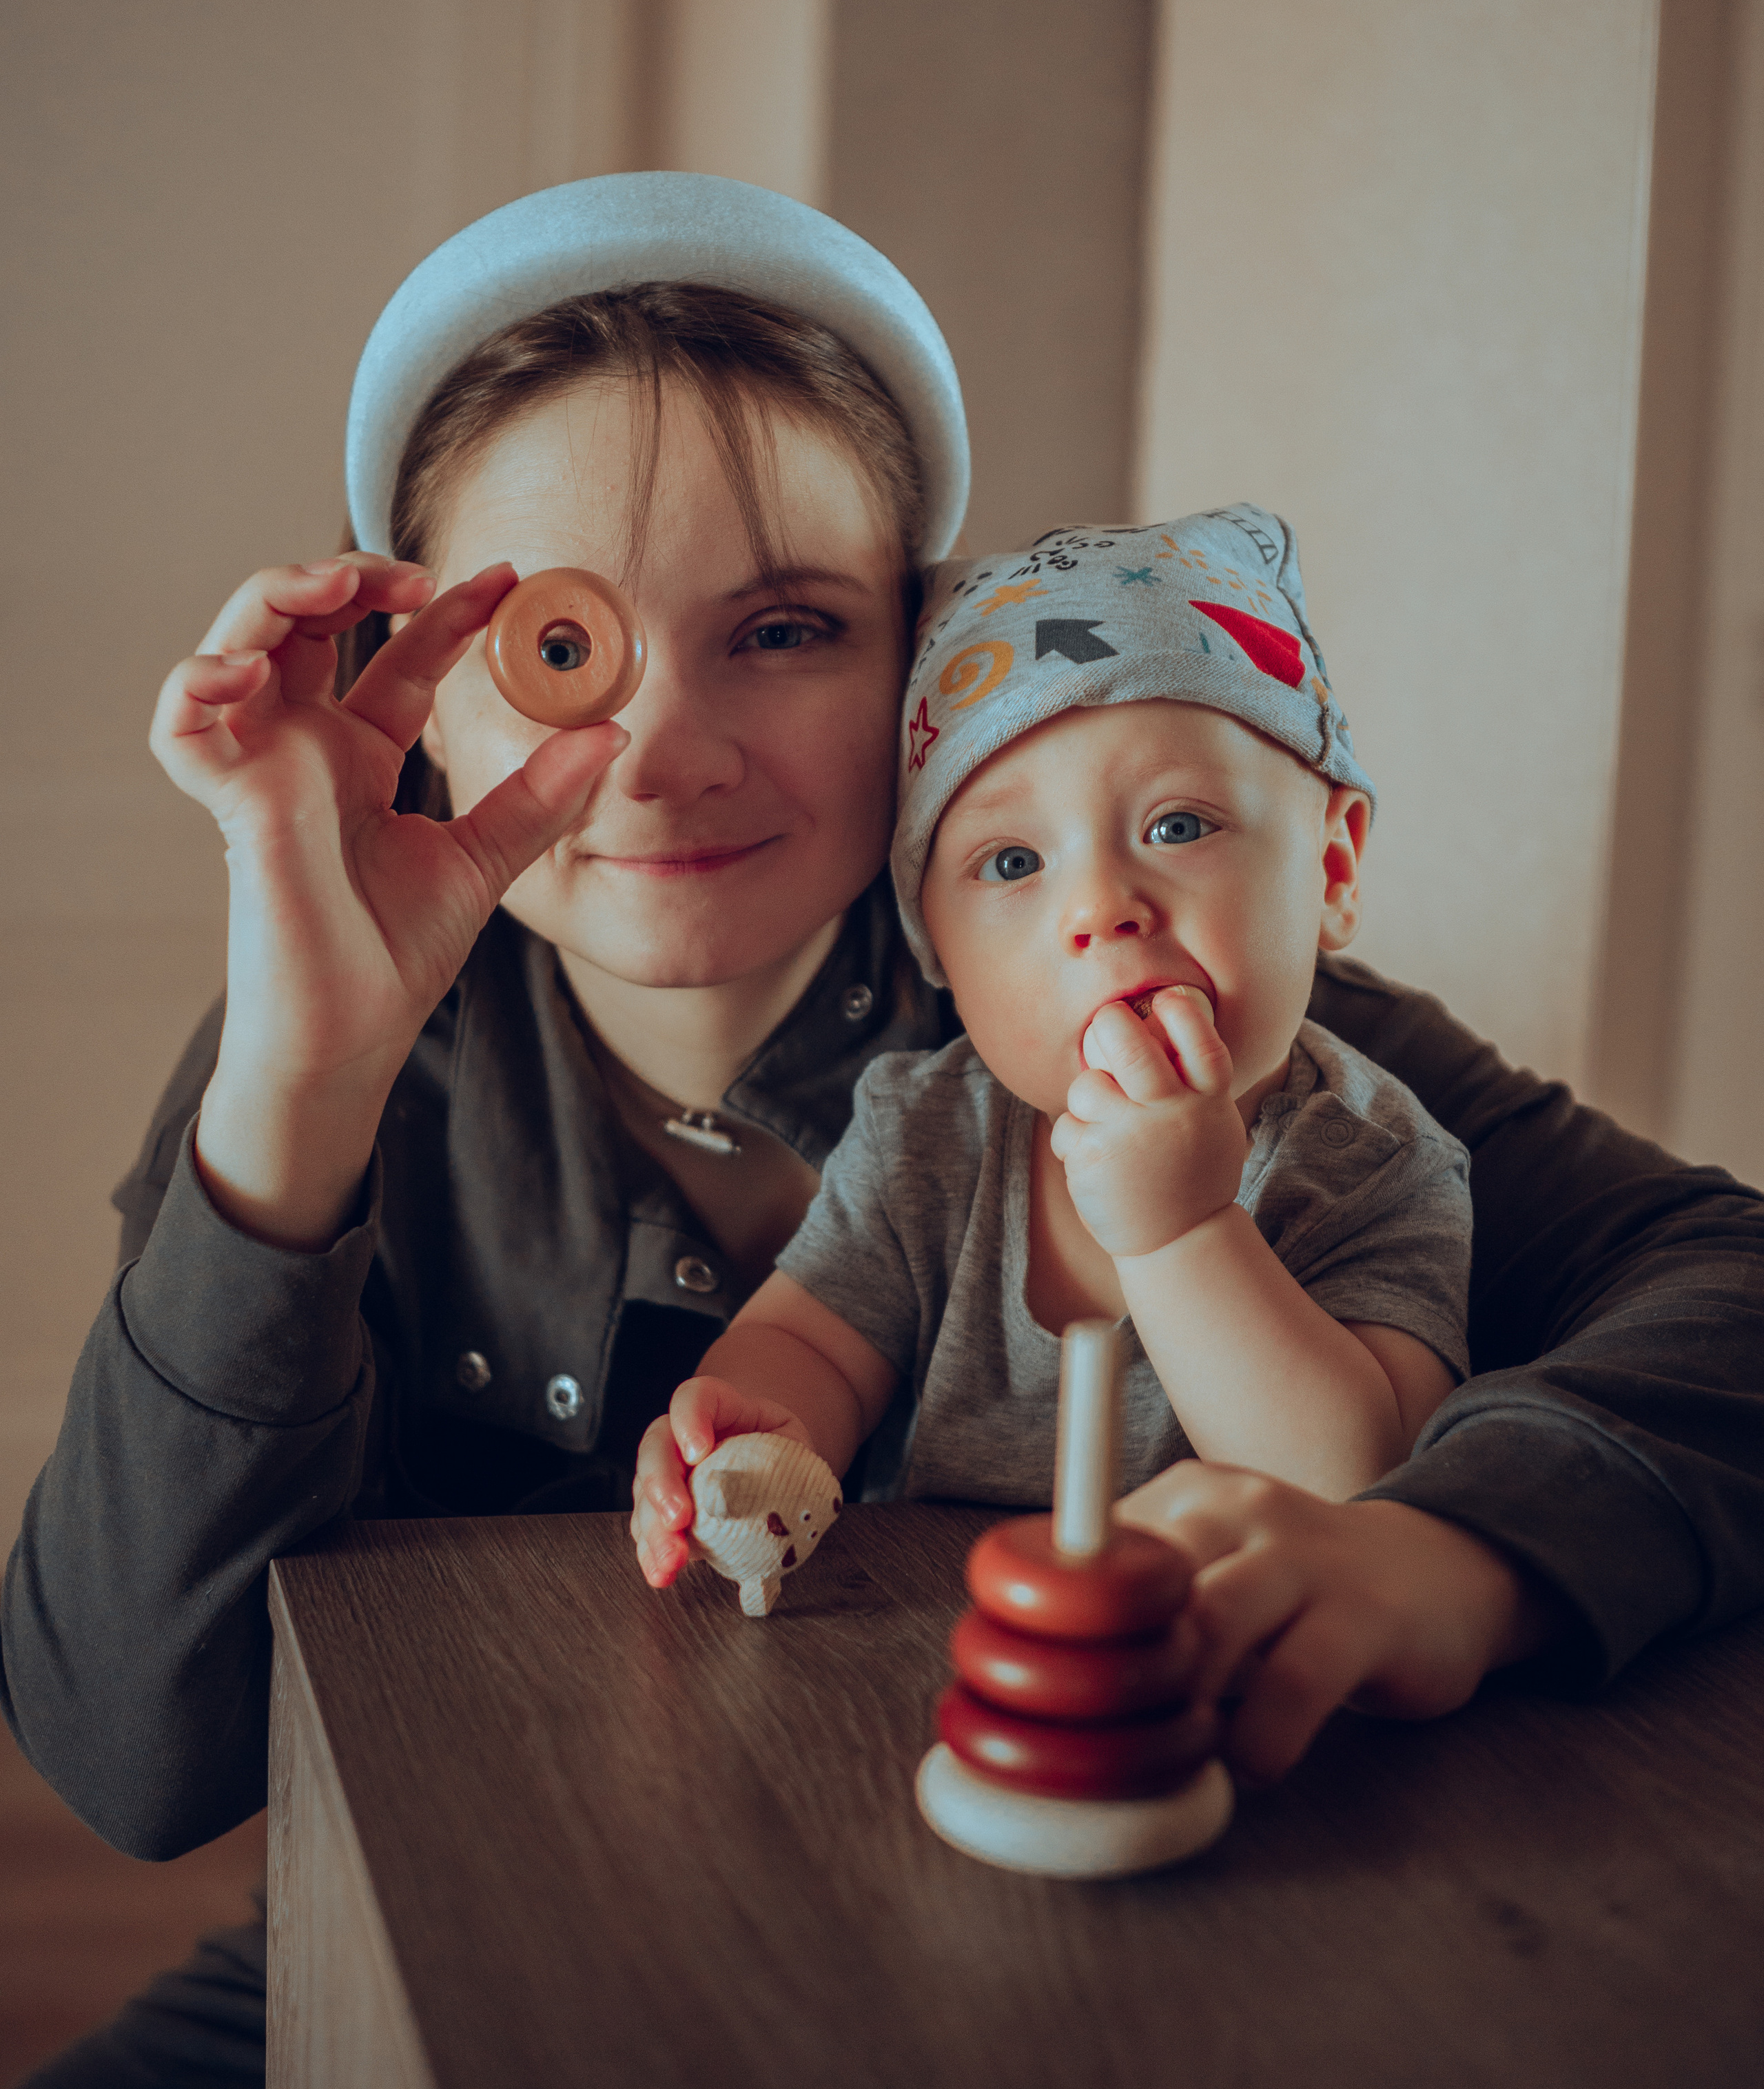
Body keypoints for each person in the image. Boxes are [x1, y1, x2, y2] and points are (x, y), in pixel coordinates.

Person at [5, 176, 1763, 2087]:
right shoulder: (305, 1051)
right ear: (417, 697)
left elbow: (1727, 1283)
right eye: (560, 646)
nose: (665, 752)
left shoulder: (1136, 1015)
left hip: (1039, 1949)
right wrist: (302, 1084)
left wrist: (1460, 1551)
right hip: (428, 1936)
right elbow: (138, 1760)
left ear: (921, 674)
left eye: (783, 627)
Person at [630, 509, 1475, 1545]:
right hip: (924, 1648)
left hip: (1221, 1667)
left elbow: (1359, 1484)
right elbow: (811, 1342)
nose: (1100, 908)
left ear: (1333, 866)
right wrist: (758, 1427)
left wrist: (1183, 1232)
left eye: (1178, 826)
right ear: (936, 945)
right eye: (1014, 863)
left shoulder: (1377, 1165)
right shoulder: (927, 1131)